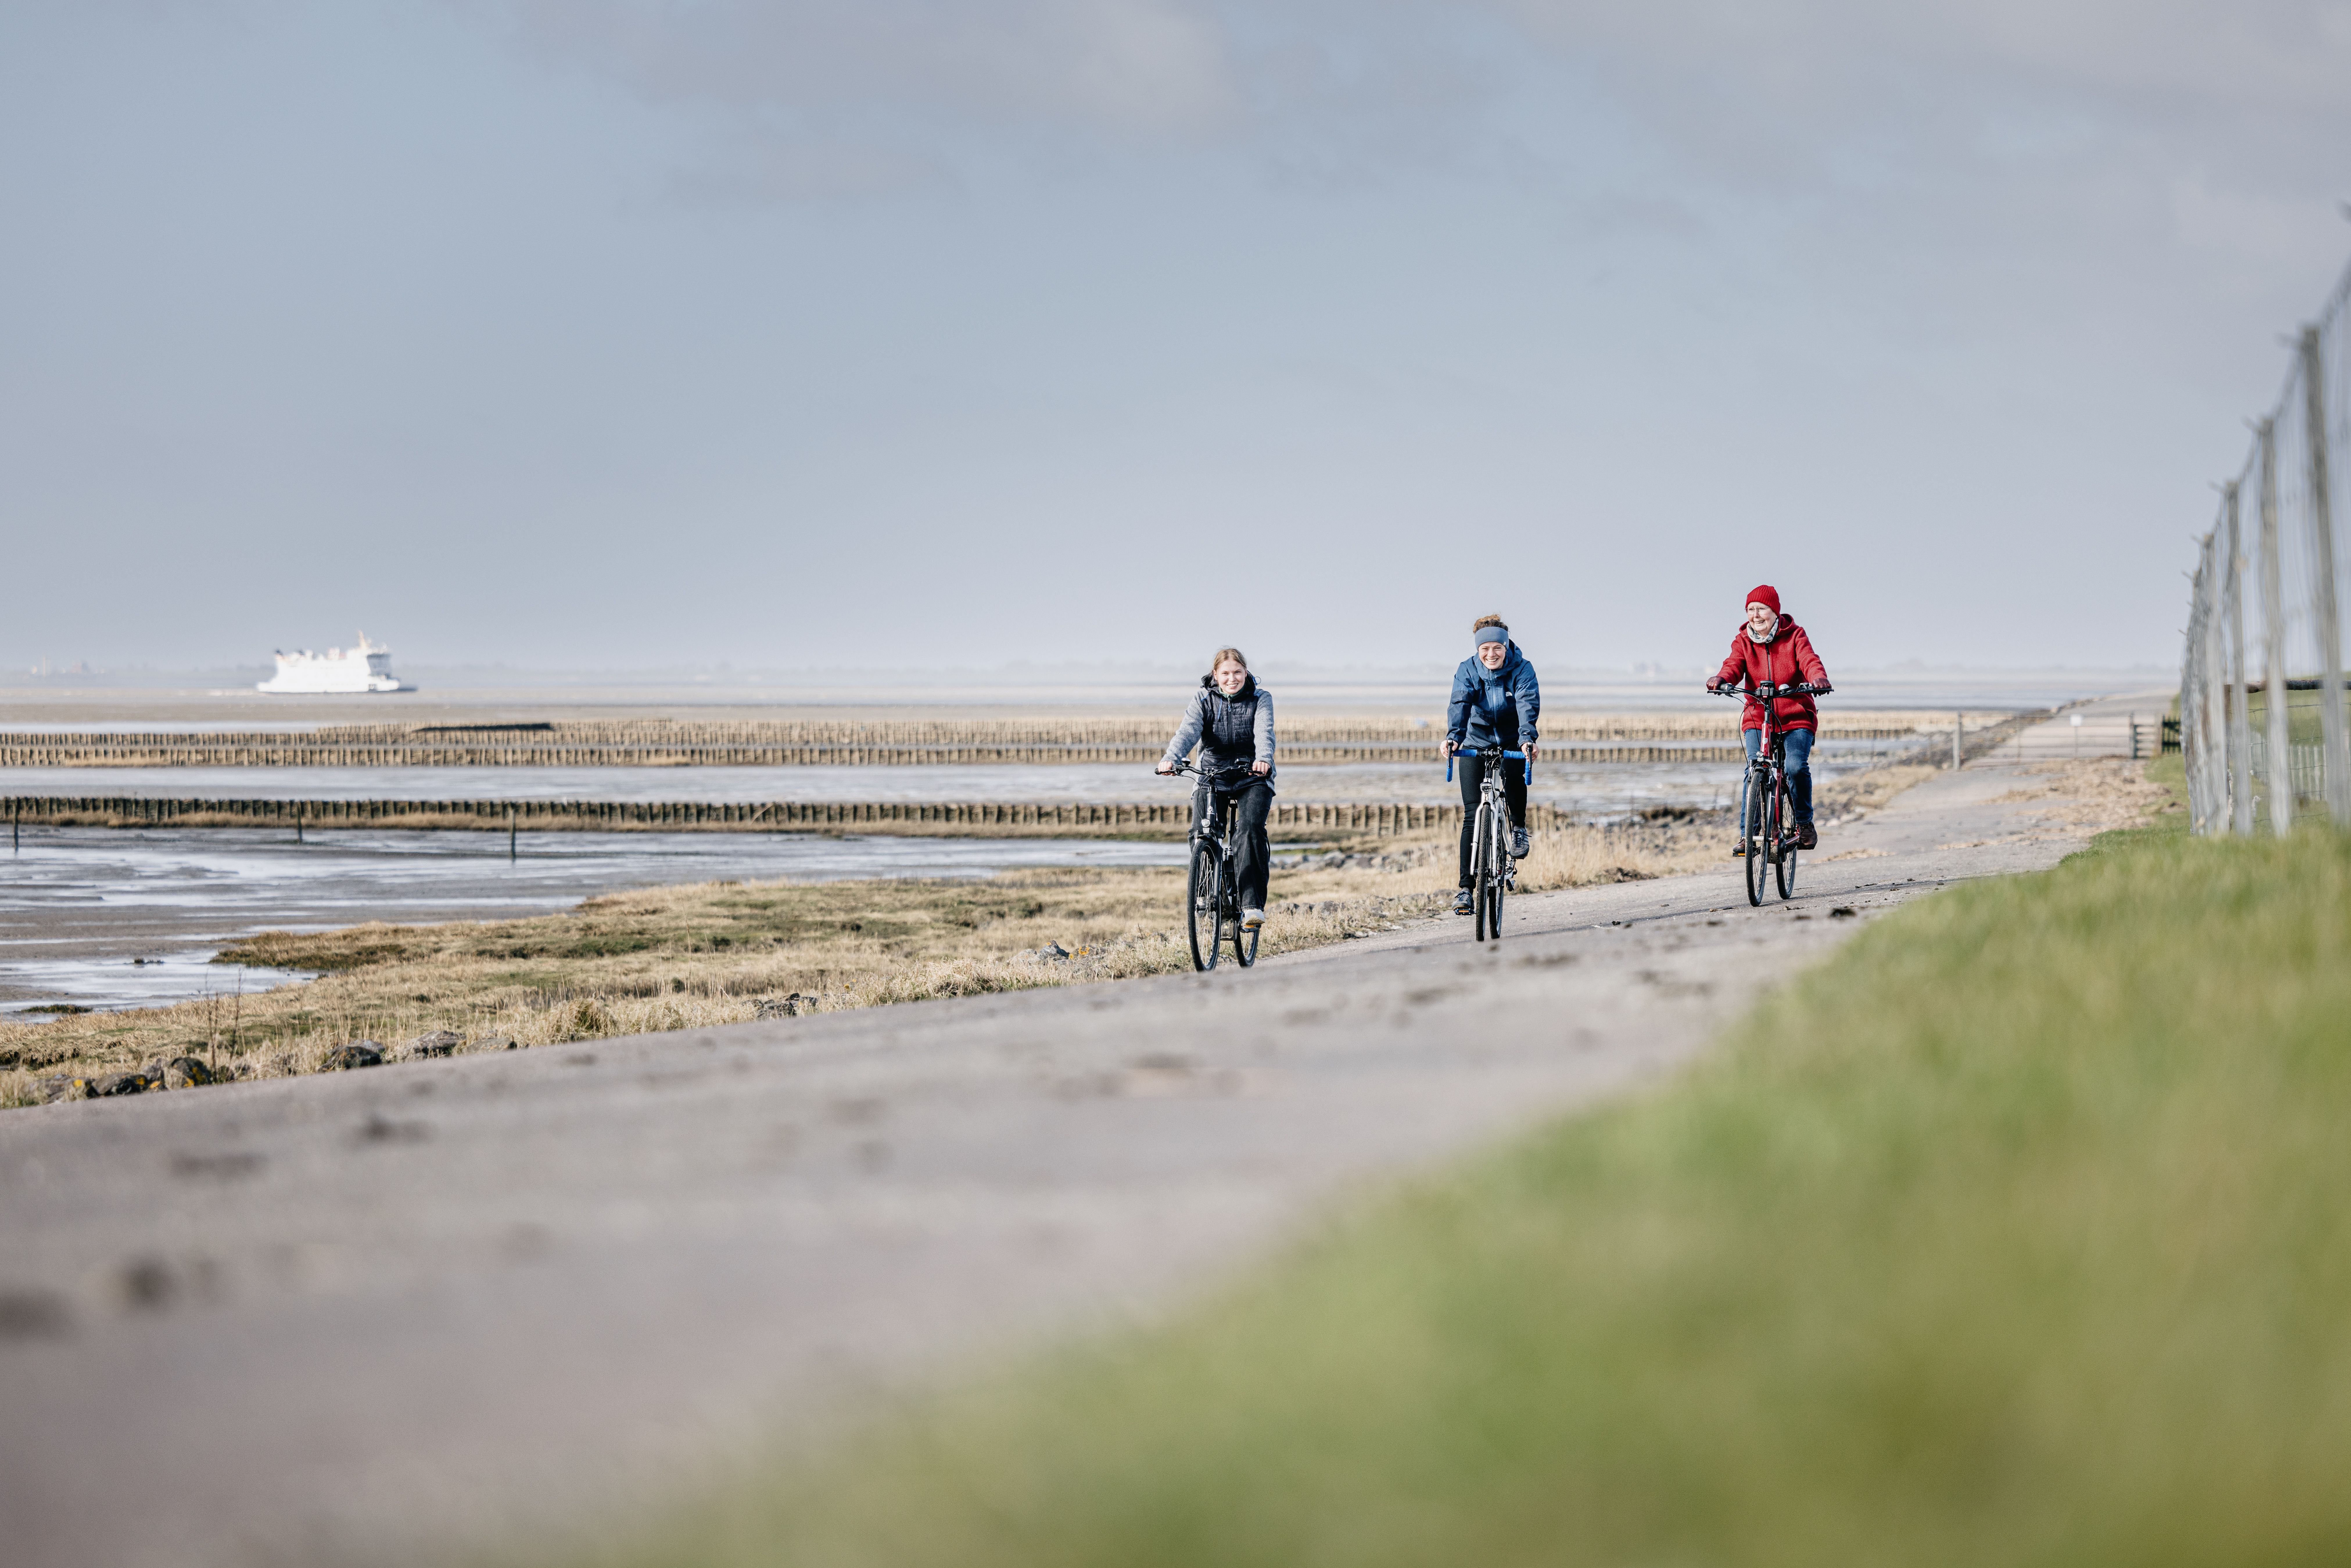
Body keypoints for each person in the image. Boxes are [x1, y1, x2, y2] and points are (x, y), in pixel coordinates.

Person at [1158, 647, 1276, 931]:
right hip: (1212, 770)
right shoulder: (1203, 698)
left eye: (1237, 672)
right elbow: (1188, 731)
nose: (1232, 678)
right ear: (1216, 675)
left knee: (1248, 831)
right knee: (1201, 831)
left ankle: (1251, 906)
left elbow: (1264, 733)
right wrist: (1170, 759)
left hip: (1251, 773)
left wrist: (1263, 759)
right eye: (1225, 673)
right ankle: (1205, 893)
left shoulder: (1260, 699)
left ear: (1245, 673)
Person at [1706, 584, 1832, 851]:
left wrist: (1817, 679)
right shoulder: (1743, 641)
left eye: (1761, 609)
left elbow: (1810, 660)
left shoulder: (1795, 636)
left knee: (1795, 767)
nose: (1756, 615)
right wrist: (1721, 679)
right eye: (1750, 610)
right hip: (1757, 715)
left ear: (1775, 612)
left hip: (1795, 714)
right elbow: (1733, 665)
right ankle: (1748, 836)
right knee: (1754, 769)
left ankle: (1804, 823)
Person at [1446, 615, 1541, 917]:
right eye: (1484, 648)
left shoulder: (1521, 669)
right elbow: (1459, 705)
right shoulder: (1467, 671)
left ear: (1505, 646)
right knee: (1472, 814)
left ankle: (1518, 828)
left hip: (1513, 740)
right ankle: (1464, 888)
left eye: (1496, 648)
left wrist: (1527, 740)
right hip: (1476, 740)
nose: (1491, 654)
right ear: (1478, 650)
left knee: (1514, 778)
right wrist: (1453, 739)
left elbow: (1527, 703)